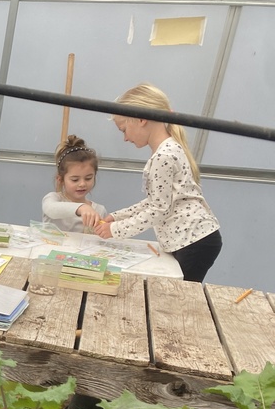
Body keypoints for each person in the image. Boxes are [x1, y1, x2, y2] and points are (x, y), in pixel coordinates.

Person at [94, 83, 222, 282]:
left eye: (124, 129)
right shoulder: (168, 150)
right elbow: (155, 202)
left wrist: (115, 230)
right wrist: (117, 216)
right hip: (194, 239)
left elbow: (158, 209)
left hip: (194, 241)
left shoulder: (163, 156)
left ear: (141, 119)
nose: (125, 138)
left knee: (179, 298)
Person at [42, 135, 107, 233]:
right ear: (61, 179)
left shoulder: (99, 210)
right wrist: (81, 208)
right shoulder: (53, 199)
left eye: (88, 178)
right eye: (75, 180)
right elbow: (50, 209)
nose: (82, 184)